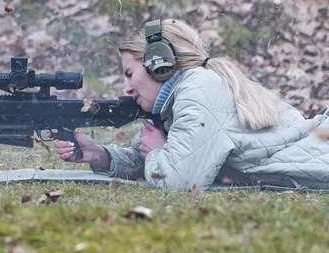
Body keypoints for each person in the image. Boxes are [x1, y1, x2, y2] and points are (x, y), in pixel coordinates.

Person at [54, 19, 329, 190]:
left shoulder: (198, 89)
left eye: (129, 73)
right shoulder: (182, 97)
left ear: (158, 65)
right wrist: (100, 155)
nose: (127, 87)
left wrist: (157, 151)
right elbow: (155, 157)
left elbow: (181, 180)